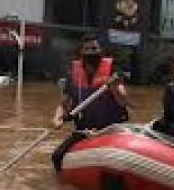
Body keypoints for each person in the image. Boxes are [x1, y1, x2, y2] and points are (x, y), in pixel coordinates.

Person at [51, 34, 129, 170]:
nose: (91, 52)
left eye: (94, 48)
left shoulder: (112, 70)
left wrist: (114, 88)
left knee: (114, 162)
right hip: (84, 130)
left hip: (110, 129)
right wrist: (56, 119)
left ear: (100, 51)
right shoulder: (73, 74)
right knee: (57, 157)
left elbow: (123, 102)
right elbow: (64, 104)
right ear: (81, 53)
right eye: (87, 49)